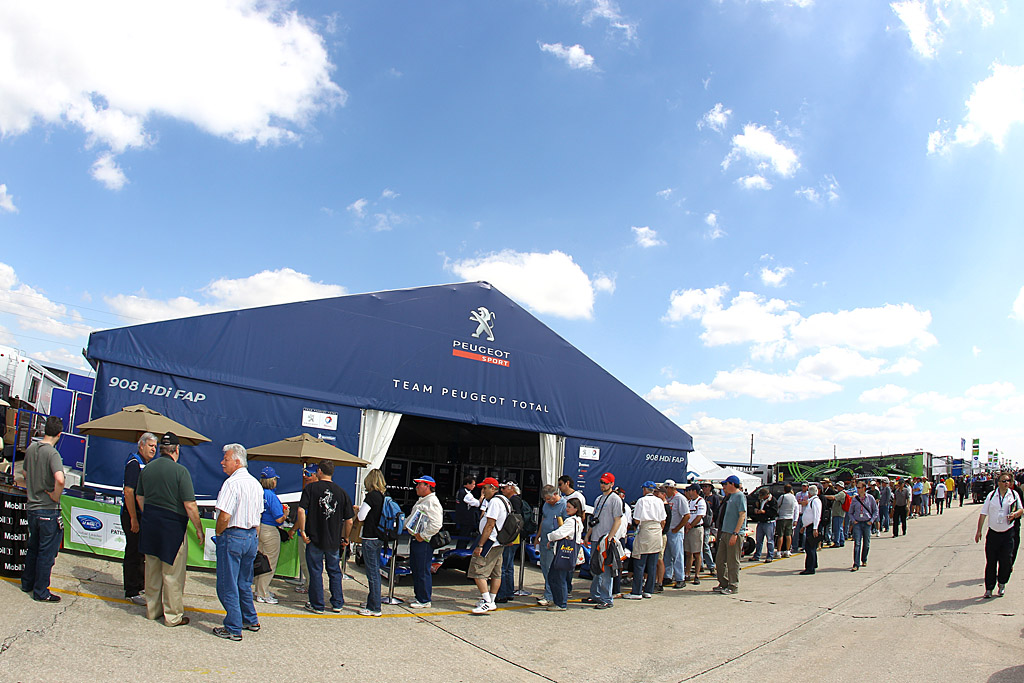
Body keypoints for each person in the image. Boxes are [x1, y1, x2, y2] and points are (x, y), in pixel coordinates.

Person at [136, 432, 204, 627]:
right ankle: (172, 616)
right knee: (172, 574)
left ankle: (152, 610)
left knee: (152, 570)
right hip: (172, 526)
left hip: (150, 523)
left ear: (161, 450)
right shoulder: (180, 472)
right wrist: (198, 529)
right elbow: (190, 504)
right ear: (176, 450)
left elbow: (140, 497)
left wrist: (149, 514)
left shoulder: (147, 469)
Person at [211, 443, 263, 641]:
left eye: (226, 459)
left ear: (237, 461)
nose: (222, 462)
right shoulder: (255, 484)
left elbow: (224, 515)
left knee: (227, 584)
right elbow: (257, 517)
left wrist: (220, 534)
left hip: (233, 535)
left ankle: (233, 627)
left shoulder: (232, 484)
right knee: (243, 581)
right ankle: (250, 618)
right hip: (250, 535)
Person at [296, 459, 353, 614]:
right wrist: (346, 538)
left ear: (320, 471)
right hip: (333, 539)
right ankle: (337, 603)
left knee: (315, 571)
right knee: (334, 571)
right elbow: (349, 520)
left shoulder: (311, 489)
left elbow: (301, 510)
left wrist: (302, 531)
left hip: (314, 537)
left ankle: (317, 604)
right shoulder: (342, 493)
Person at [21, 416, 65, 603]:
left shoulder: (31, 448)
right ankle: (41, 591)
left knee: (33, 547)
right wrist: (55, 495)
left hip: (32, 506)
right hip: (48, 508)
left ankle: (27, 582)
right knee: (46, 553)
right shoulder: (52, 453)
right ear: (59, 434)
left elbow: (24, 472)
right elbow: (60, 479)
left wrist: (34, 483)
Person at [121, 432, 157, 605]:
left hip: (142, 516)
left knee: (141, 552)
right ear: (141, 445)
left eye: (155, 447)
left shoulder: (146, 464)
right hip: (132, 514)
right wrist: (134, 519)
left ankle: (140, 584)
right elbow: (129, 491)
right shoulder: (134, 463)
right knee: (133, 552)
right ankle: (131, 590)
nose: (153, 449)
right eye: (150, 446)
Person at [976, 473, 1023, 598]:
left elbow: (1021, 509)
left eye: (1008, 481)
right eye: (1003, 481)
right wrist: (979, 531)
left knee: (1006, 561)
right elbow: (983, 513)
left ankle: (1002, 583)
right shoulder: (991, 496)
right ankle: (989, 588)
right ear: (998, 483)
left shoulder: (1013, 495)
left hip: (1008, 534)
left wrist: (1015, 514)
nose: (1006, 483)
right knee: (991, 562)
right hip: (993, 534)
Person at [584, 472, 623, 608]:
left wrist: (610, 538)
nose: (603, 485)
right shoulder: (598, 499)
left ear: (612, 484)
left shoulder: (615, 499)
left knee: (606, 570)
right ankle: (595, 595)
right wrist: (588, 535)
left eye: (606, 483)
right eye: (601, 482)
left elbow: (618, 520)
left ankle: (607, 598)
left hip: (605, 539)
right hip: (596, 538)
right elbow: (594, 519)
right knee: (595, 568)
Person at [468, 477, 507, 614]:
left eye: (485, 488)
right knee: (496, 573)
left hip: (490, 541)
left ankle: (486, 601)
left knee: (477, 570)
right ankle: (492, 600)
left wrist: (480, 544)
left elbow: (490, 525)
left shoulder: (495, 502)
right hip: (498, 542)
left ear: (493, 488)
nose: (483, 491)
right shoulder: (504, 500)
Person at [407, 475, 443, 608]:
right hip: (417, 539)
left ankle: (424, 599)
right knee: (416, 568)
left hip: (424, 542)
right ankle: (419, 596)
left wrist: (423, 535)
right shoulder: (422, 500)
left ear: (428, 486)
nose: (416, 487)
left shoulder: (432, 502)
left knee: (422, 569)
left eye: (419, 484)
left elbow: (436, 524)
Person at [355, 468, 386, 617]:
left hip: (369, 537)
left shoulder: (371, 497)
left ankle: (374, 607)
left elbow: (361, 517)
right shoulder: (382, 496)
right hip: (379, 537)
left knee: (372, 573)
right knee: (375, 571)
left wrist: (359, 509)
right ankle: (372, 601)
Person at [626, 481, 665, 599]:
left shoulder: (641, 501)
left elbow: (637, 519)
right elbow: (663, 520)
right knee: (652, 563)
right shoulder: (659, 501)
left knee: (639, 562)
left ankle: (636, 592)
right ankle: (649, 589)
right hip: (657, 531)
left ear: (644, 490)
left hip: (646, 530)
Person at [254, 466, 288, 604]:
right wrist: (285, 513)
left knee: (259, 560)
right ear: (273, 481)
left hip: (258, 528)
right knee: (269, 562)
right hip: (270, 530)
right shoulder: (271, 496)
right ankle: (263, 592)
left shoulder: (257, 492)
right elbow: (279, 518)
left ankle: (258, 589)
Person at [545, 498, 585, 611]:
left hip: (563, 553)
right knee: (555, 577)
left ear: (576, 509)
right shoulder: (578, 521)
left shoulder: (571, 521)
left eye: (569, 507)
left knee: (558, 577)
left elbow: (560, 533)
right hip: (569, 552)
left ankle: (561, 603)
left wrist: (550, 536)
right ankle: (558, 600)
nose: (566, 509)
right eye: (566, 506)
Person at [287, 464, 319, 592]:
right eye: (305, 473)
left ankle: (311, 587)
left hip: (308, 534)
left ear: (317, 475)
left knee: (307, 563)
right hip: (309, 532)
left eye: (309, 474)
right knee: (307, 563)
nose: (306, 477)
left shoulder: (311, 492)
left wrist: (298, 530)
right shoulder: (310, 490)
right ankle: (310, 585)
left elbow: (303, 514)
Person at [713, 475, 746, 595]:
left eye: (726, 484)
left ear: (732, 484)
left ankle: (733, 585)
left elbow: (742, 515)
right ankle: (723, 583)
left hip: (734, 533)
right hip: (725, 532)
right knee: (720, 559)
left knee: (733, 561)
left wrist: (735, 533)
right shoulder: (730, 497)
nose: (724, 487)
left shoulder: (740, 496)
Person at [535, 485, 566, 607]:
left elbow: (565, 525)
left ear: (555, 494)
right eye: (545, 500)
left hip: (555, 542)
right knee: (543, 566)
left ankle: (550, 595)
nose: (548, 502)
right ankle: (548, 592)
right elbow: (543, 520)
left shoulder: (564, 505)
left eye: (549, 499)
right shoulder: (546, 505)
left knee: (550, 569)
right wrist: (538, 536)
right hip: (544, 540)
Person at [495, 481, 525, 603]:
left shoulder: (514, 500)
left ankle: (502, 593)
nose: (502, 490)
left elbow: (514, 520)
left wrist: (508, 537)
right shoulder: (515, 500)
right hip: (514, 536)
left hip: (511, 537)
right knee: (509, 565)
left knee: (504, 566)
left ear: (512, 488)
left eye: (504, 488)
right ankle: (508, 591)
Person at [661, 479, 688, 589]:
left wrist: (678, 528)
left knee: (677, 555)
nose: (666, 490)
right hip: (668, 530)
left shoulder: (680, 499)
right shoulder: (666, 498)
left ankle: (680, 578)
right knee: (667, 555)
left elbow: (686, 515)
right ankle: (667, 575)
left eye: (667, 488)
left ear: (672, 488)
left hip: (675, 531)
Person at [848, 481, 878, 572]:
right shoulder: (855, 499)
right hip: (858, 523)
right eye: (857, 487)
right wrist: (854, 521)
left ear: (864, 488)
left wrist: (871, 521)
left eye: (860, 487)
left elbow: (875, 511)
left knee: (866, 543)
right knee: (857, 543)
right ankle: (856, 564)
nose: (858, 489)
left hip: (866, 523)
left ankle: (864, 559)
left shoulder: (870, 498)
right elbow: (850, 512)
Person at [683, 484, 707, 582]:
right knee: (688, 553)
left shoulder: (700, 502)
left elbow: (699, 516)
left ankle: (697, 575)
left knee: (697, 553)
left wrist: (691, 525)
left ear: (695, 491)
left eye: (690, 490)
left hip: (696, 529)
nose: (689, 492)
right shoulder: (689, 502)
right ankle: (687, 573)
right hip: (689, 529)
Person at [749, 487, 777, 563]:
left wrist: (764, 511)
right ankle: (757, 555)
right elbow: (755, 506)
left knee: (770, 540)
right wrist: (756, 510)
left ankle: (770, 556)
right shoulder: (760, 500)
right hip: (760, 522)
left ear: (767, 495)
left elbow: (774, 512)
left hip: (769, 522)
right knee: (759, 540)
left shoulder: (772, 501)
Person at [799, 485, 822, 575]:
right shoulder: (812, 501)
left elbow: (816, 516)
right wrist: (804, 526)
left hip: (812, 526)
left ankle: (810, 568)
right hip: (809, 526)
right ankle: (813, 564)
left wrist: (815, 528)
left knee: (810, 548)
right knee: (811, 547)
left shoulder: (815, 502)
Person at [454, 476, 480, 549]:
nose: (474, 486)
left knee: (463, 536)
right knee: (464, 537)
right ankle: (460, 551)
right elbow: (477, 503)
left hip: (461, 518)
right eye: (473, 484)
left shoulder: (460, 491)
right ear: (468, 484)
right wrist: (482, 496)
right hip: (467, 520)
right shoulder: (466, 493)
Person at [700, 482, 720, 573]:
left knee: (705, 545)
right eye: (703, 486)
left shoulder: (714, 498)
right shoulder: (701, 497)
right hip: (700, 524)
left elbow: (717, 511)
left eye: (706, 486)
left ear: (710, 488)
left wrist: (713, 522)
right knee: (698, 545)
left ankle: (711, 565)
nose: (704, 488)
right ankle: (700, 565)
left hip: (709, 524)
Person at [776, 483, 797, 558]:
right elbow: (796, 507)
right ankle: (787, 551)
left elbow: (778, 505)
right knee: (788, 535)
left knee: (780, 535)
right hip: (790, 517)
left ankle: (778, 551)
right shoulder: (793, 497)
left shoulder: (783, 497)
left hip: (782, 517)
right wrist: (795, 519)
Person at [829, 482, 847, 548]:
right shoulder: (841, 493)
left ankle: (836, 542)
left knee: (837, 528)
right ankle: (841, 541)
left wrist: (825, 496)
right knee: (840, 528)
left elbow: (834, 497)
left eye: (838, 486)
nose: (837, 487)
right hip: (839, 513)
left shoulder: (842, 494)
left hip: (838, 513)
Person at [794, 483, 810, 552]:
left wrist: (804, 502)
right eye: (802, 486)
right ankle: (794, 547)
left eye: (805, 486)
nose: (803, 487)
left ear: (807, 487)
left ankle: (804, 547)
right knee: (796, 531)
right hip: (799, 514)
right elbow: (796, 502)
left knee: (804, 532)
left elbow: (807, 502)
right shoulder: (798, 494)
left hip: (805, 514)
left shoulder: (808, 494)